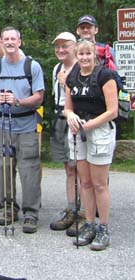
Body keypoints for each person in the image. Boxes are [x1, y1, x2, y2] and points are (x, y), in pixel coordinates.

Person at [0, 26, 44, 233]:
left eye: (13, 39)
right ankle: (9, 208)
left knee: (29, 169)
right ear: (1, 41)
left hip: (26, 124)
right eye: (6, 39)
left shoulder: (32, 66)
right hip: (2, 123)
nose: (9, 42)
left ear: (20, 41)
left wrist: (18, 101)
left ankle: (31, 213)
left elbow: (39, 97)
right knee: (4, 166)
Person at [64, 39, 118, 251]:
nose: (85, 57)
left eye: (89, 53)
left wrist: (90, 125)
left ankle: (103, 227)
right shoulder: (73, 77)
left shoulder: (105, 76)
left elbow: (112, 110)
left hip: (100, 131)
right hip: (79, 131)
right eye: (81, 54)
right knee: (84, 182)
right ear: (76, 56)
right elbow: (68, 108)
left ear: (94, 55)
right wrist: (71, 117)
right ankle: (89, 224)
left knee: (99, 183)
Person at [49, 32, 86, 236]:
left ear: (75, 46)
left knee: (80, 168)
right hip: (59, 118)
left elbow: (86, 96)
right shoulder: (57, 68)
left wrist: (66, 83)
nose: (61, 50)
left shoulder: (82, 67)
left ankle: (83, 213)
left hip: (76, 121)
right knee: (68, 168)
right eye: (58, 47)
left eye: (65, 46)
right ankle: (71, 209)